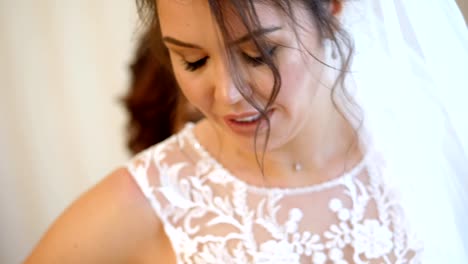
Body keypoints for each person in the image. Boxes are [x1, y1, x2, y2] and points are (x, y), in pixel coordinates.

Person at [25, 0, 468, 263]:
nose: (228, 94)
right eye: (193, 61)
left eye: (258, 52)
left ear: (331, 9)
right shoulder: (148, 203)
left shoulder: (431, 137)